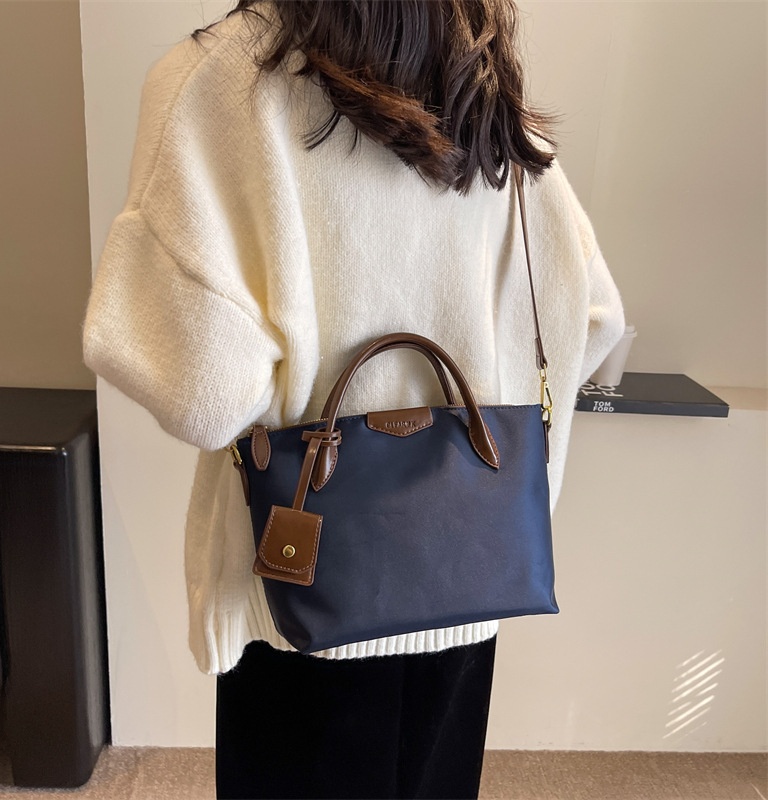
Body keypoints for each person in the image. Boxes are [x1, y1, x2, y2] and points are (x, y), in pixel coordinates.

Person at [81, 1, 626, 797]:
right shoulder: (478, 83)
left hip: (305, 594)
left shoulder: (220, 81)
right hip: (468, 570)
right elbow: (594, 314)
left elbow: (203, 392)